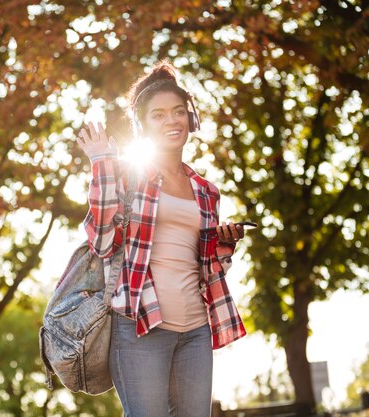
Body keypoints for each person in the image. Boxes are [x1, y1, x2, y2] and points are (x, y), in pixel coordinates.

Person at [76, 61, 248, 417]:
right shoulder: (128, 176)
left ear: (191, 119)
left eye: (179, 112)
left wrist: (225, 244)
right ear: (142, 126)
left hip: (196, 329)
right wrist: (101, 165)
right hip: (142, 325)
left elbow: (208, 268)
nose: (172, 121)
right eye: (159, 115)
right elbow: (103, 243)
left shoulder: (206, 191)